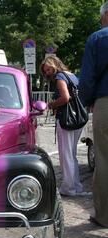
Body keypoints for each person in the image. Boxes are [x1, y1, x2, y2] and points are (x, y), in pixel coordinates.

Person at [78, 1, 108, 227]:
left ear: (105, 15)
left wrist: (88, 102)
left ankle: (105, 217)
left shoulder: (97, 38)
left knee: (104, 160)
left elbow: (87, 79)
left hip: (105, 102)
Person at [40, 56, 86, 197]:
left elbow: (66, 98)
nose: (47, 73)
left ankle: (68, 188)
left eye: (48, 69)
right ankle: (77, 187)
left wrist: (51, 104)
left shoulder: (60, 77)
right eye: (45, 71)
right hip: (78, 117)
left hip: (67, 119)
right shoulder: (72, 75)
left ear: (55, 65)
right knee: (72, 155)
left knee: (66, 155)